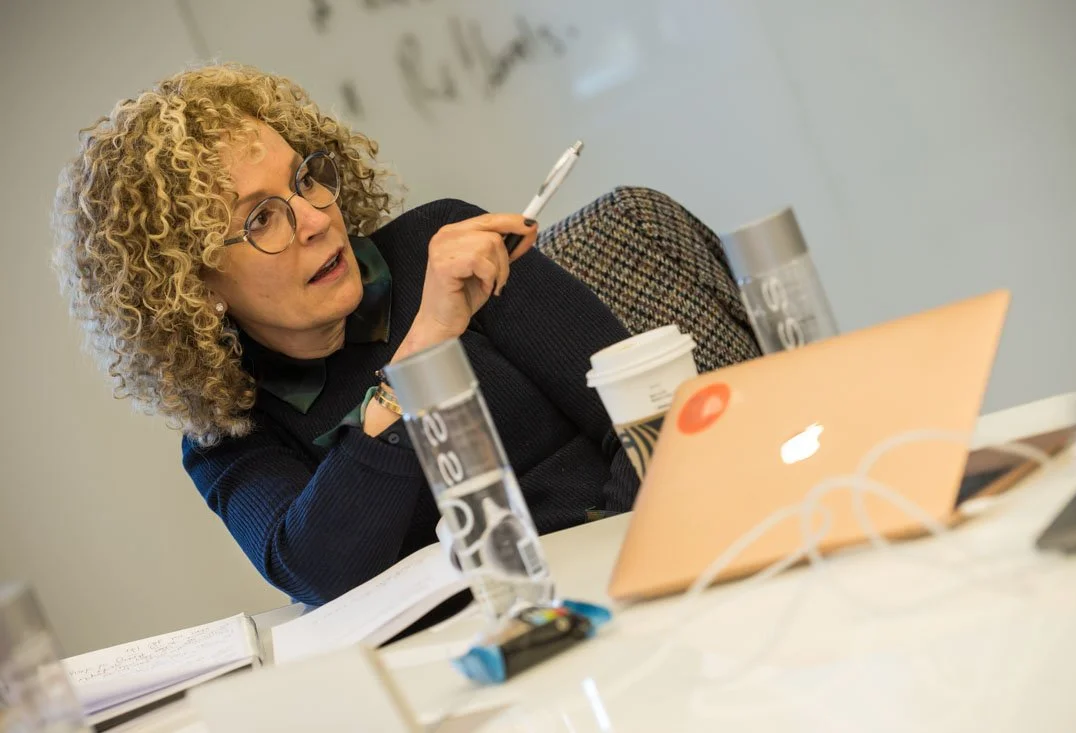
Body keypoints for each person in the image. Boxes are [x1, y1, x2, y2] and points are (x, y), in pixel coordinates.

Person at [52, 64, 640, 605]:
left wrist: (607, 578)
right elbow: (321, 572)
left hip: (622, 570)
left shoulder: (442, 252)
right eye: (261, 218)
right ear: (194, 285)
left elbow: (642, 416)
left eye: (305, 179)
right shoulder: (229, 428)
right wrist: (425, 351)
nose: (316, 219)